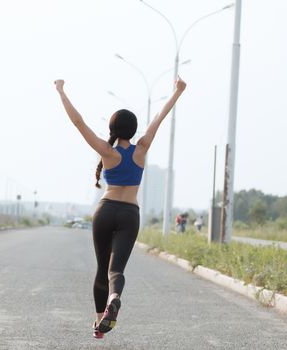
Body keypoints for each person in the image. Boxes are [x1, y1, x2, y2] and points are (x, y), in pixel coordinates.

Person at [54, 77, 187, 339]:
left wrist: (61, 91)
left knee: (101, 268)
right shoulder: (142, 149)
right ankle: (115, 297)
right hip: (129, 213)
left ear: (113, 128)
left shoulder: (106, 151)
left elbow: (78, 122)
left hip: (104, 212)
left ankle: (98, 323)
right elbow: (160, 117)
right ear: (134, 129)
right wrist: (177, 91)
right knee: (116, 270)